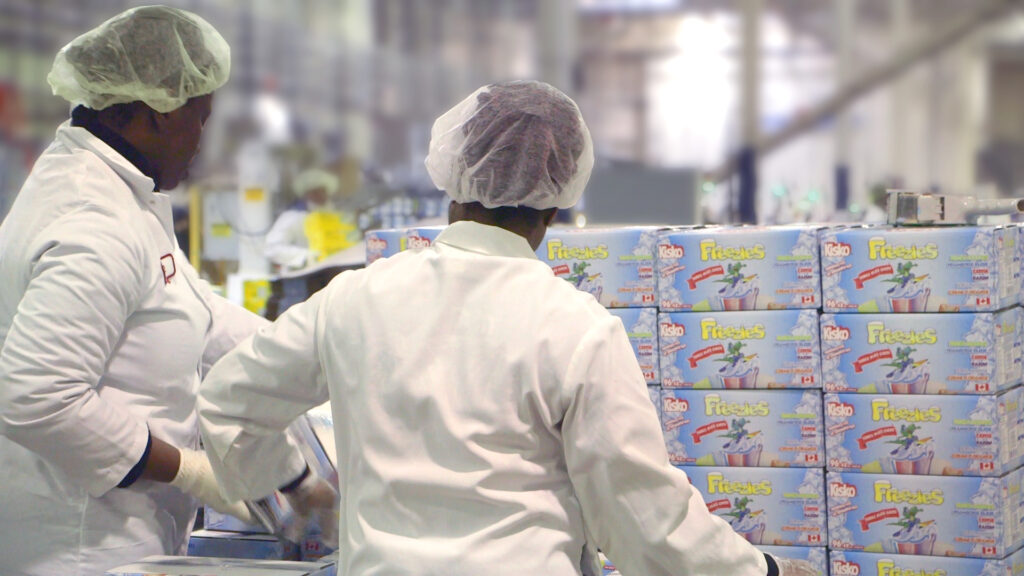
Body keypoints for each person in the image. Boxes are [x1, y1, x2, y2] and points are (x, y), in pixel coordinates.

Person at [197, 81, 815, 575]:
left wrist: (293, 481)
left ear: (452, 172)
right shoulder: (576, 329)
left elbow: (229, 400)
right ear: (558, 200)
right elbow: (642, 519)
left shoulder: (353, 300)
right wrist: (759, 570)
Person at [0, 7, 326, 574]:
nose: (202, 140)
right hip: (83, 542)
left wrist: (316, 351)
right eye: (200, 118)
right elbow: (37, 398)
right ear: (155, 113)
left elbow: (193, 312)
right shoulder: (93, 221)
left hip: (125, 528)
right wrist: (187, 470)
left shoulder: (118, 188)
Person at [264, 168, 359, 272]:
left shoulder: (338, 217)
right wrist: (305, 256)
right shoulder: (292, 218)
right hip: (305, 275)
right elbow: (272, 248)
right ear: (306, 194)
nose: (320, 195)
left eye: (322, 191)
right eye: (314, 192)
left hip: (338, 271)